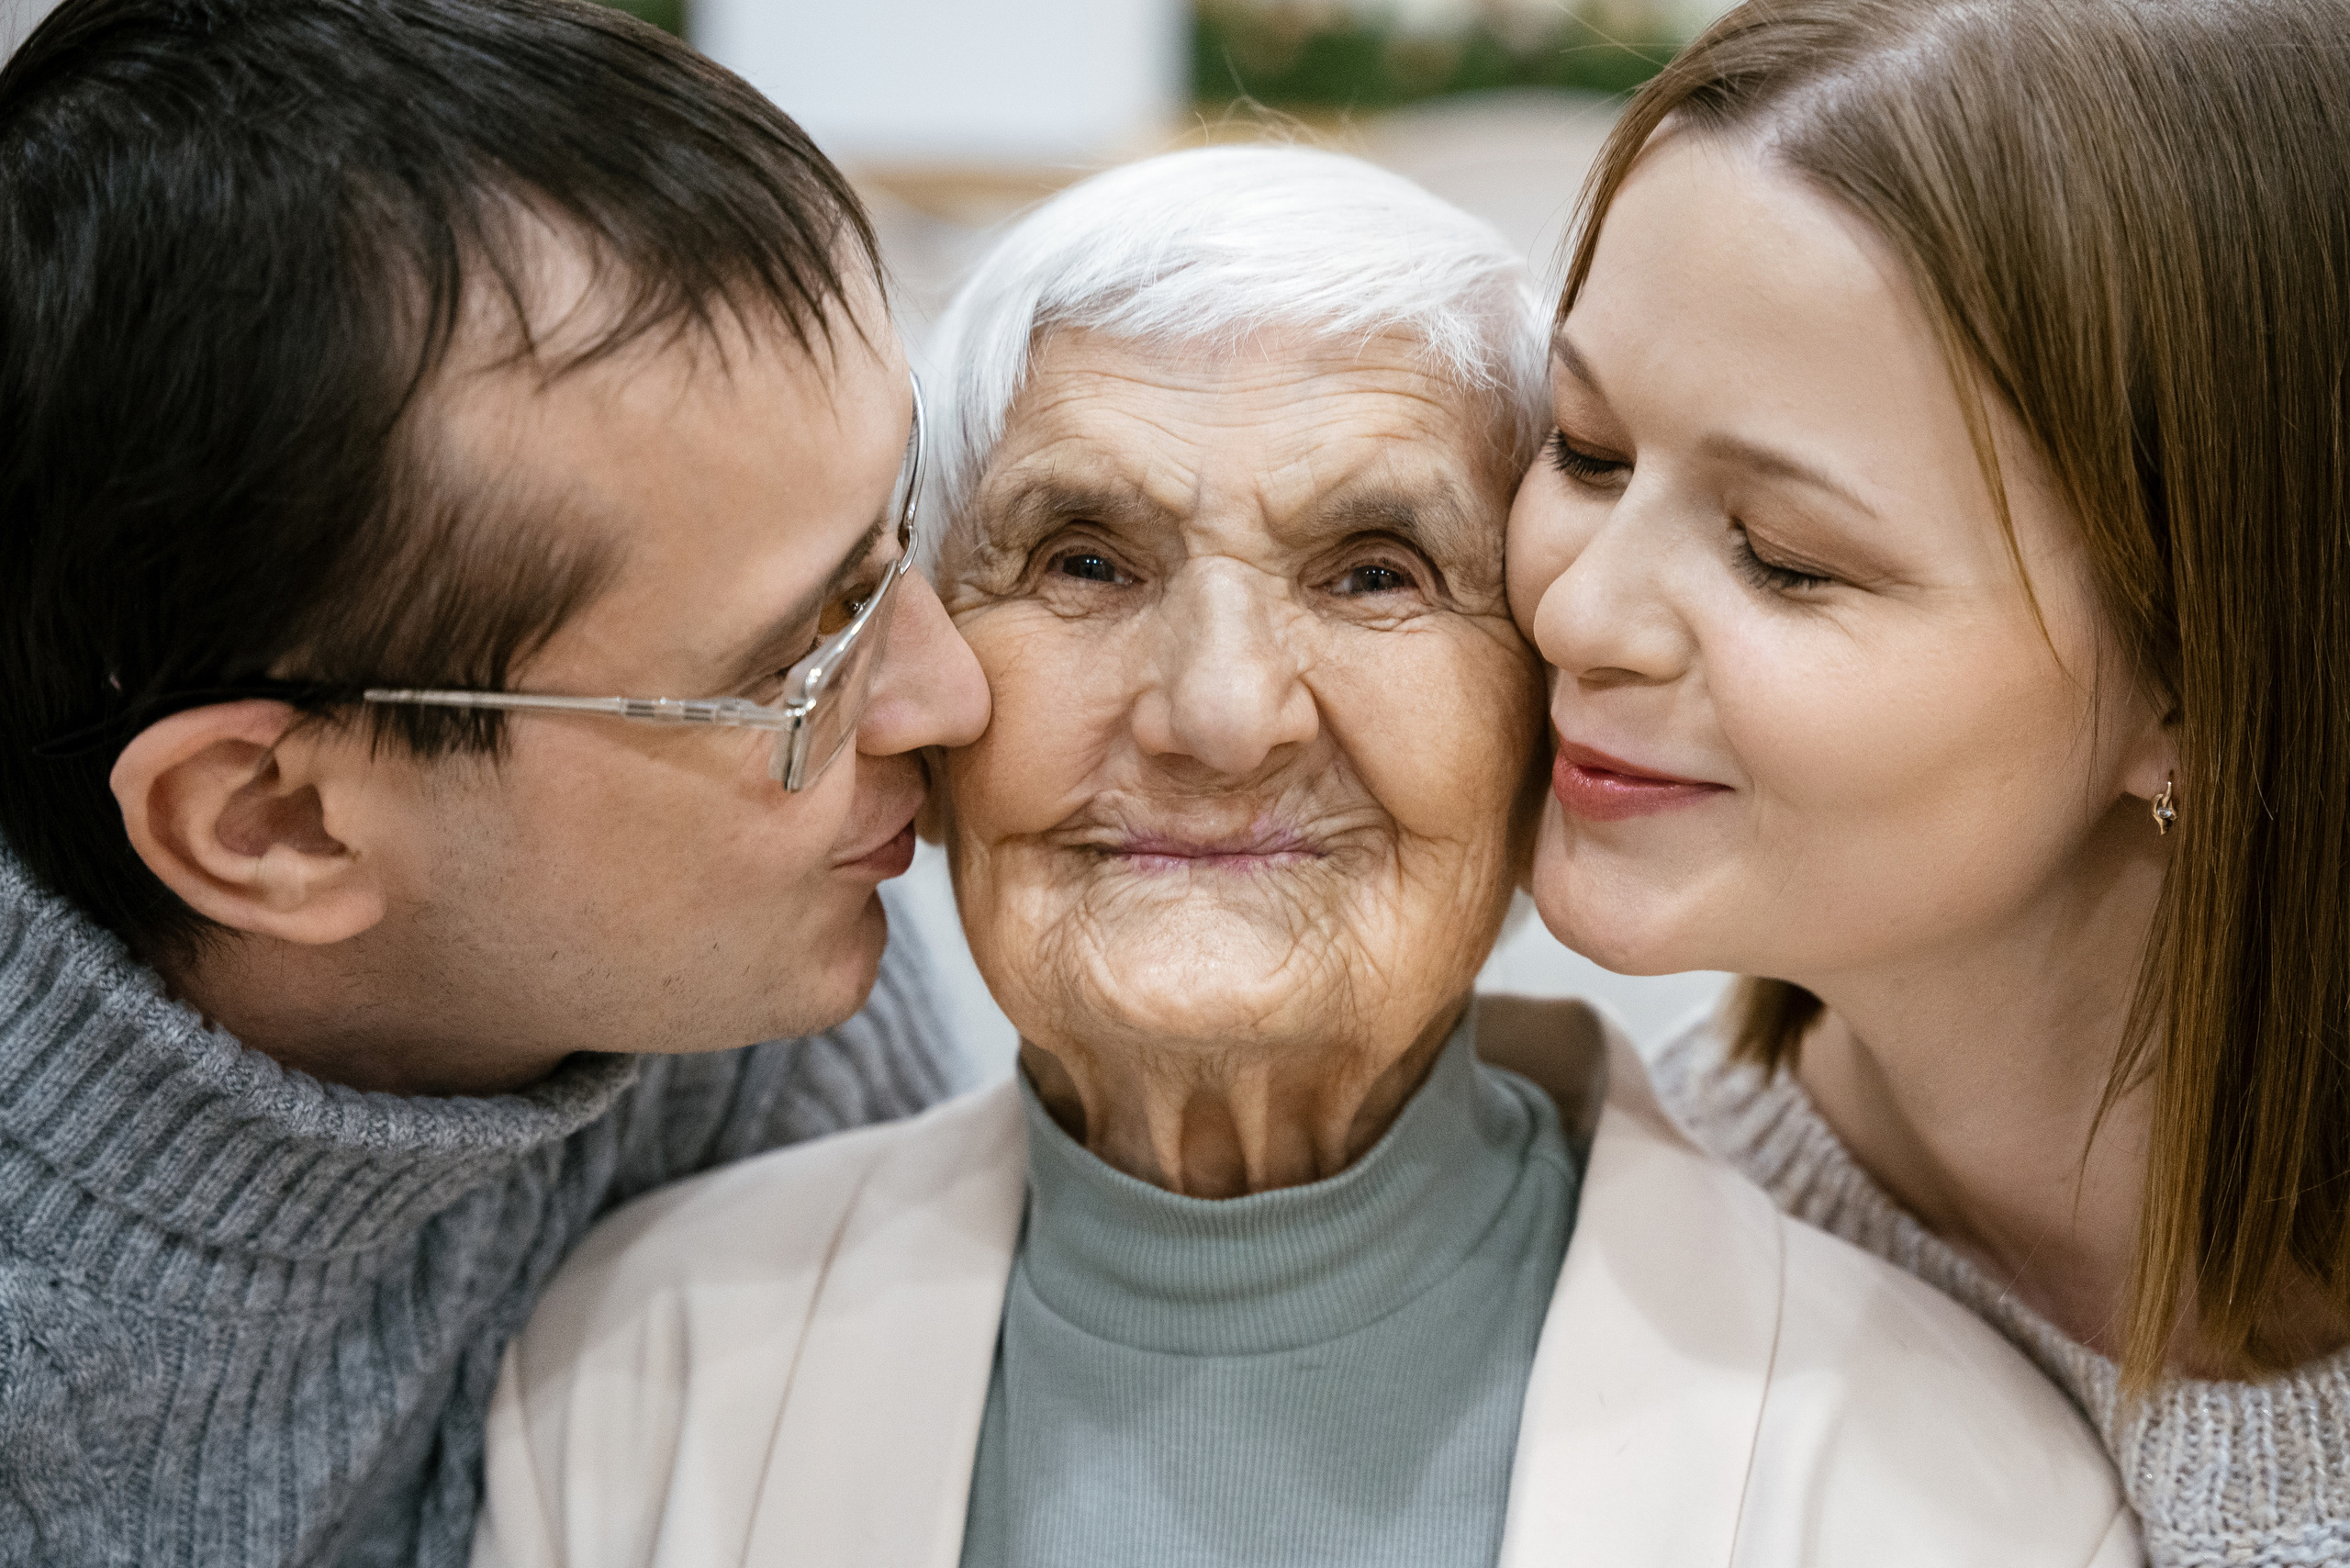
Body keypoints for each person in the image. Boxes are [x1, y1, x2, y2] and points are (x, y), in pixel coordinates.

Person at [471, 146, 2136, 1568]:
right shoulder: (630, 1374)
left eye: (1376, 574)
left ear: (1545, 710)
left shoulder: (1950, 1486)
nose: (1218, 713)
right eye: (1081, 560)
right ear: (926, 677)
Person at [0, 0, 988, 1562]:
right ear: (277, 824)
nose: (951, 696)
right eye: (796, 659)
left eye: (894, 535)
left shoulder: (723, 1009)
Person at [1505, 2, 2350, 1564]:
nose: (1574, 613)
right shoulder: (1587, 1243)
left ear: (2200, 693)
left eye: (1787, 559)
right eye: (1585, 450)